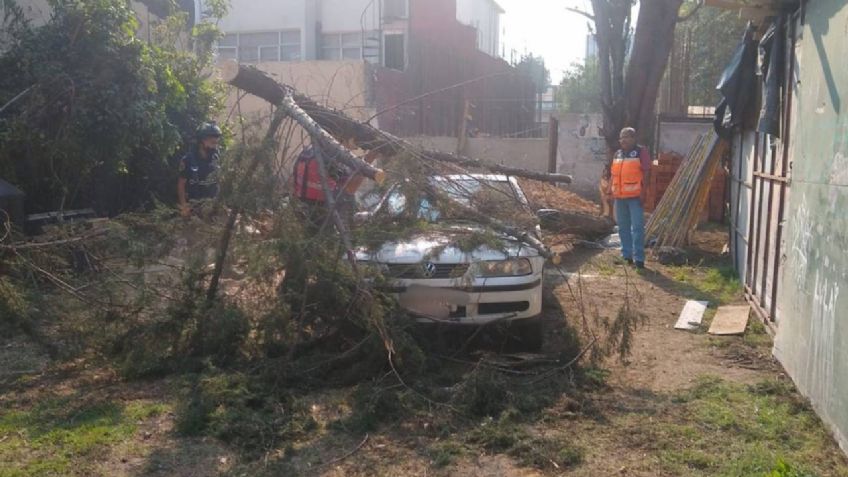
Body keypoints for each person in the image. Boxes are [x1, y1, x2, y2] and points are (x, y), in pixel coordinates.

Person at [609, 127, 651, 269]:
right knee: (623, 227)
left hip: (635, 197)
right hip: (620, 198)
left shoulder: (641, 152)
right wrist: (610, 192)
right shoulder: (617, 154)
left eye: (626, 137)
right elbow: (613, 175)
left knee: (638, 227)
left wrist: (644, 192)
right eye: (621, 137)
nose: (623, 140)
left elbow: (646, 173)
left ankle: (639, 258)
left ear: (634, 138)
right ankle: (626, 256)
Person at [178, 122, 222, 217]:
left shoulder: (216, 158)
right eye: (212, 143)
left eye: (216, 143)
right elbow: (181, 184)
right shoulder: (188, 160)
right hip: (194, 208)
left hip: (213, 208)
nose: (215, 146)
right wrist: (184, 206)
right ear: (202, 141)